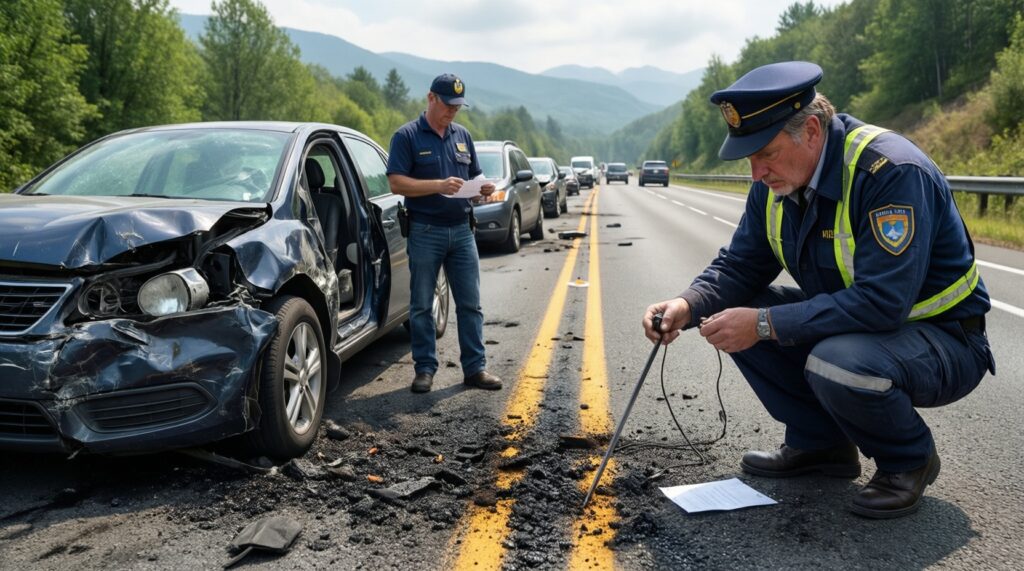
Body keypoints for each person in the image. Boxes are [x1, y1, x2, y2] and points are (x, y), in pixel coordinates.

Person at [642, 61, 995, 519]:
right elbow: (741, 264)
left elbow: (882, 303)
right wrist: (686, 305)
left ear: (810, 130)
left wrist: (765, 324)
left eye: (765, 153)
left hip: (944, 339)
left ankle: (908, 460)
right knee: (734, 312)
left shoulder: (889, 173)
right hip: (867, 330)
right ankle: (822, 445)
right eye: (750, 158)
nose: (756, 173)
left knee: (836, 361)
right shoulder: (774, 184)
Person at [386, 73, 502, 394]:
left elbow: (474, 176)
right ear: (431, 98)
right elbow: (396, 182)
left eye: (458, 107)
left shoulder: (463, 135)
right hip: (425, 231)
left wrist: (482, 189)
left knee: (471, 304)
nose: (453, 112)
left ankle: (475, 369)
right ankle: (424, 369)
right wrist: (437, 186)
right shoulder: (407, 136)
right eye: (448, 105)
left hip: (463, 230)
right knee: (422, 305)